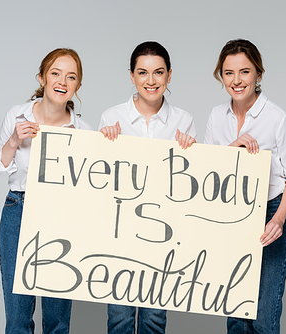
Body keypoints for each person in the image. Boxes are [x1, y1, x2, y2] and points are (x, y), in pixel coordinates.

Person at [0, 48, 93, 334]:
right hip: (18, 211)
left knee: (57, 318)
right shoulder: (17, 114)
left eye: (71, 77)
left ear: (77, 85)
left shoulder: (83, 130)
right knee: (18, 315)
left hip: (61, 217)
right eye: (55, 73)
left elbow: (89, 189)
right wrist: (13, 140)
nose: (62, 81)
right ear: (42, 78)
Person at [204, 39, 286, 334]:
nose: (237, 80)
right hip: (233, 216)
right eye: (229, 73)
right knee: (235, 309)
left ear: (258, 75)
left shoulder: (277, 118)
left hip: (271, 213)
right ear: (221, 76)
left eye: (245, 72)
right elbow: (208, 171)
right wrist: (232, 148)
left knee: (263, 315)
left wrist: (278, 219)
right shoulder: (216, 117)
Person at [98, 41, 197, 334]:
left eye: (158, 73)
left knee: (154, 317)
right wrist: (102, 144)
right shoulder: (110, 117)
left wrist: (192, 151)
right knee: (120, 317)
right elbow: (95, 181)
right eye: (143, 73)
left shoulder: (184, 121)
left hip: (163, 232)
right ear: (131, 76)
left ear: (169, 75)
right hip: (120, 230)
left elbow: (190, 185)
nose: (150, 81)